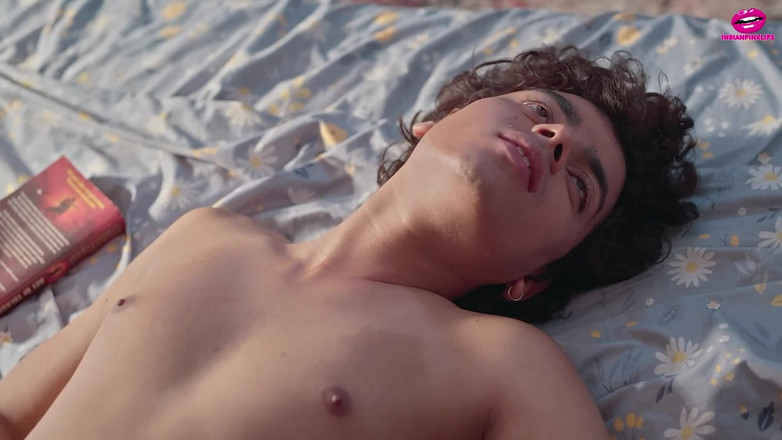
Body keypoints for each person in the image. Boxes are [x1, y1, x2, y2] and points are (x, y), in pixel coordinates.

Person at [0, 46, 697, 440]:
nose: (554, 137)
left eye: (579, 185)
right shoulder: (203, 234)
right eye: (540, 110)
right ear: (435, 122)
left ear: (534, 277)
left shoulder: (502, 364)